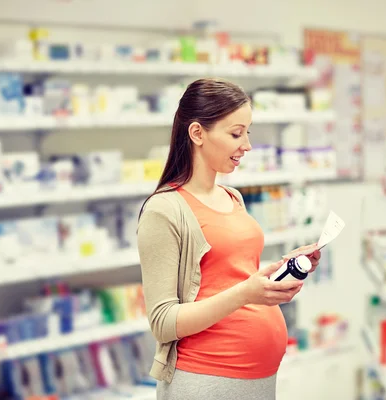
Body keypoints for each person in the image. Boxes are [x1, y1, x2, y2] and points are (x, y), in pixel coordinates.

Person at [137, 78, 322, 400]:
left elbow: (229, 275)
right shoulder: (164, 209)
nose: (247, 145)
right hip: (207, 379)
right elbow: (163, 321)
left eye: (247, 132)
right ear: (197, 133)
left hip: (259, 377)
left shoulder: (232, 196)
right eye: (236, 133)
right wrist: (246, 293)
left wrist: (281, 270)